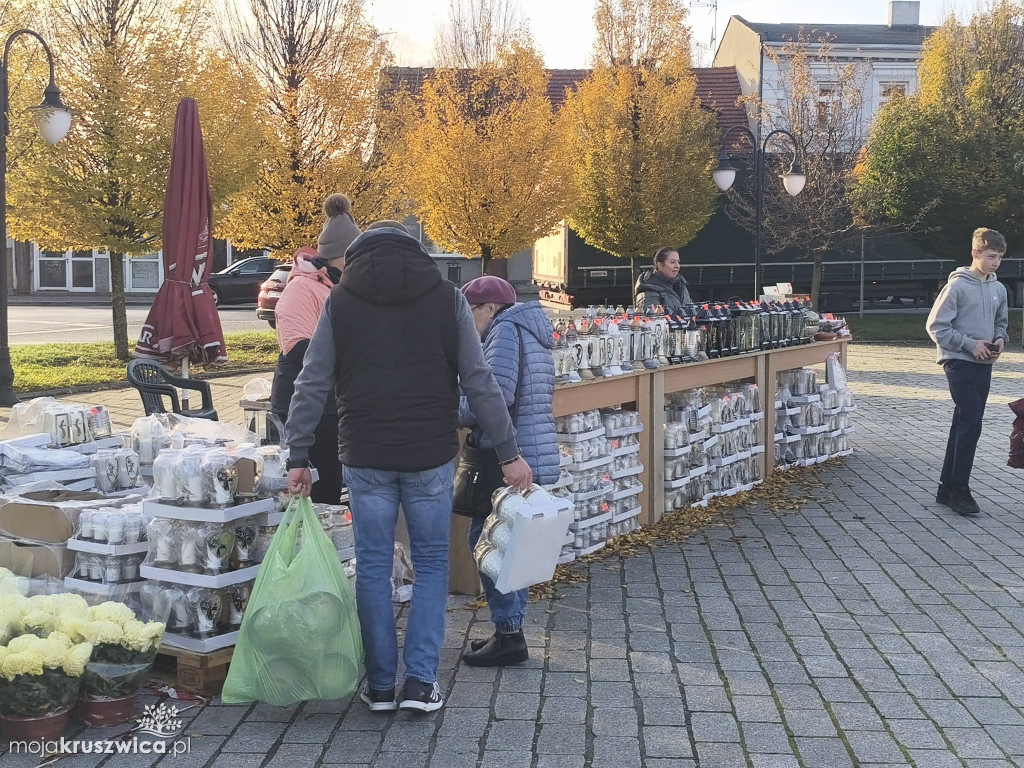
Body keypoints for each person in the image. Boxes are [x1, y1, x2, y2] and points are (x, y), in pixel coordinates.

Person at [284, 221, 533, 715]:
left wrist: (298, 455)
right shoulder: (447, 298)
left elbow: (311, 381)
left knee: (373, 566)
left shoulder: (341, 301)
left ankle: (380, 686)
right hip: (429, 456)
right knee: (433, 563)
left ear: (357, 256)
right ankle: (421, 683)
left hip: (365, 455)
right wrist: (509, 453)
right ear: (417, 253)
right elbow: (479, 380)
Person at [457, 276, 559, 667]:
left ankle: (509, 634)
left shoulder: (503, 331)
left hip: (507, 455)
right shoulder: (532, 331)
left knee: (488, 543)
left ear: (489, 307)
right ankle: (509, 630)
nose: (469, 322)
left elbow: (493, 398)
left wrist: (450, 408)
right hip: (531, 448)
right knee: (513, 544)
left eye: (470, 312)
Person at [271, 195, 360, 502]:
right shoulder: (302, 287)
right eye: (354, 256)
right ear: (340, 256)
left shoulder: (338, 287)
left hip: (331, 401)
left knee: (331, 484)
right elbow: (296, 347)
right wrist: (351, 358)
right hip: (304, 401)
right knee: (321, 489)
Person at [926, 227, 1008, 517]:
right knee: (972, 422)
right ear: (975, 253)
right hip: (958, 361)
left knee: (963, 421)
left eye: (999, 257)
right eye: (990, 256)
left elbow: (1001, 323)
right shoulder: (957, 287)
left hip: (984, 364)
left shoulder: (998, 289)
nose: (995, 262)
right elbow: (936, 327)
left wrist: (1000, 340)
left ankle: (946, 487)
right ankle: (960, 489)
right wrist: (971, 345)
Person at [635, 247, 693, 313]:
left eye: (678, 262)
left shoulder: (682, 286)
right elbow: (652, 317)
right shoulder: (649, 291)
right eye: (672, 262)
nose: (677, 266)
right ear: (659, 265)